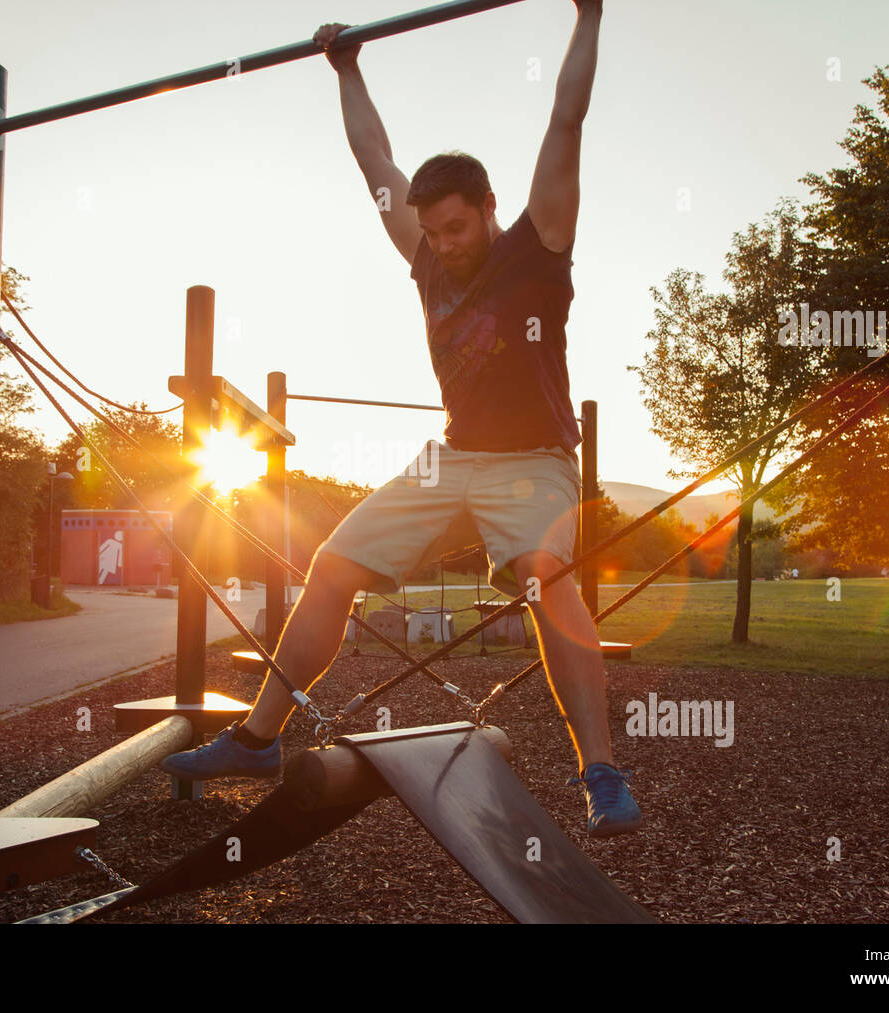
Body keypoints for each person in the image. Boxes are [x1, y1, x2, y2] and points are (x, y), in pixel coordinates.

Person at [164, 0, 641, 837]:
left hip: (534, 460)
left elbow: (567, 118)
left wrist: (588, 14)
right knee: (331, 566)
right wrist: (347, 68)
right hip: (451, 456)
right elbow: (372, 159)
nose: (445, 245)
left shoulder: (539, 244)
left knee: (545, 572)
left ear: (488, 206)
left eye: (457, 227)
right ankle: (258, 738)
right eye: (433, 232)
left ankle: (599, 770)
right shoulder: (425, 257)